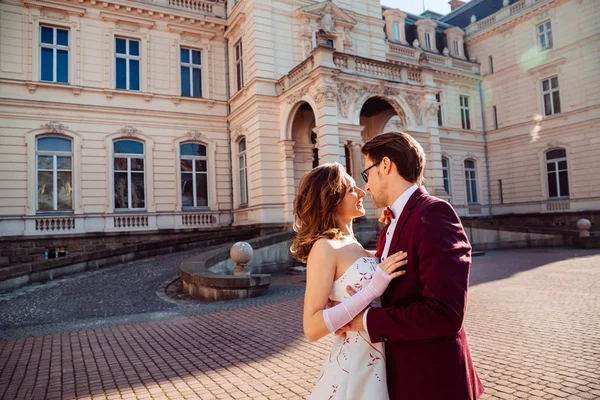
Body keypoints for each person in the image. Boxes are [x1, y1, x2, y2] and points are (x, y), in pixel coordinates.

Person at [339, 131, 484, 400]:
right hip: (401, 378)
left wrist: (366, 320)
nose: (366, 187)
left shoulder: (434, 213)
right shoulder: (392, 223)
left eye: (366, 174)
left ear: (385, 165)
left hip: (434, 382)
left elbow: (445, 314)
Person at [290, 162, 408, 400]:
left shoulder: (355, 245)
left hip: (384, 358)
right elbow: (312, 328)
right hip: (356, 366)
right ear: (332, 198)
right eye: (352, 189)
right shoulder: (325, 247)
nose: (362, 192)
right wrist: (372, 289)